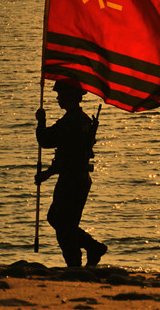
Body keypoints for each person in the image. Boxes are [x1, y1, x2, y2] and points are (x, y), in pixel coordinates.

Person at [35, 79, 107, 267]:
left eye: (61, 95)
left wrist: (41, 122)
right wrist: (49, 173)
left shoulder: (72, 121)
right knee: (64, 222)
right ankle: (77, 260)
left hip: (73, 179)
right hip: (77, 177)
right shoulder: (82, 120)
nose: (58, 99)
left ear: (70, 97)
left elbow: (47, 140)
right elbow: (70, 154)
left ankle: (90, 250)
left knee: (60, 221)